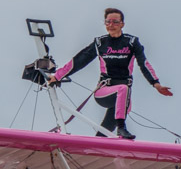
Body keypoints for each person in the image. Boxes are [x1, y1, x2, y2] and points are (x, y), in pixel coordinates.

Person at [48, 8, 173, 140]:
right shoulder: (100, 43)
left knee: (107, 129)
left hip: (123, 97)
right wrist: (57, 76)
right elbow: (79, 60)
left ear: (122, 24)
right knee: (123, 89)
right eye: (108, 22)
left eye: (115, 22)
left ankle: (96, 144)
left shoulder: (132, 42)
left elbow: (144, 63)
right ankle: (122, 128)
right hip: (104, 92)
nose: (111, 25)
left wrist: (156, 84)